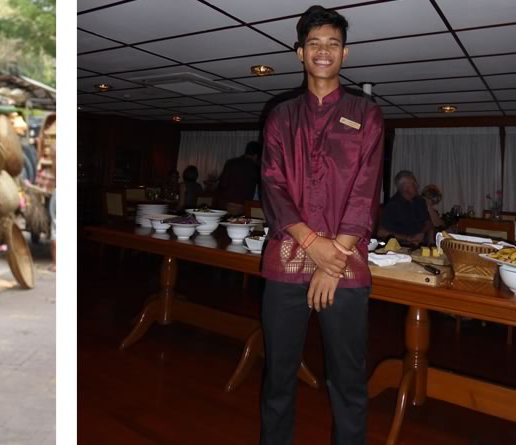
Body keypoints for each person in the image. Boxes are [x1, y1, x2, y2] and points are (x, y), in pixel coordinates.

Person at [258, 6, 382, 444]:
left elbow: (365, 190)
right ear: (299, 53)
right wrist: (311, 242)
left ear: (345, 54)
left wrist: (330, 263)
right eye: (314, 43)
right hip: (287, 259)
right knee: (278, 376)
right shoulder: (280, 115)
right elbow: (272, 184)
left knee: (347, 382)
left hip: (344, 264)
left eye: (332, 43)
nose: (323, 51)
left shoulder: (366, 115)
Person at [378, 171, 432, 245]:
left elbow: (428, 222)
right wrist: (409, 238)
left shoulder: (420, 201)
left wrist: (421, 233)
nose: (417, 186)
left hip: (420, 245)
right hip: (401, 246)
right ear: (405, 188)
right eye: (414, 184)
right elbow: (381, 232)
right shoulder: (393, 205)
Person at [215, 141, 262, 215]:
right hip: (244, 206)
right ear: (256, 155)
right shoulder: (256, 168)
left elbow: (223, 184)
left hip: (227, 204)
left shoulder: (231, 163)